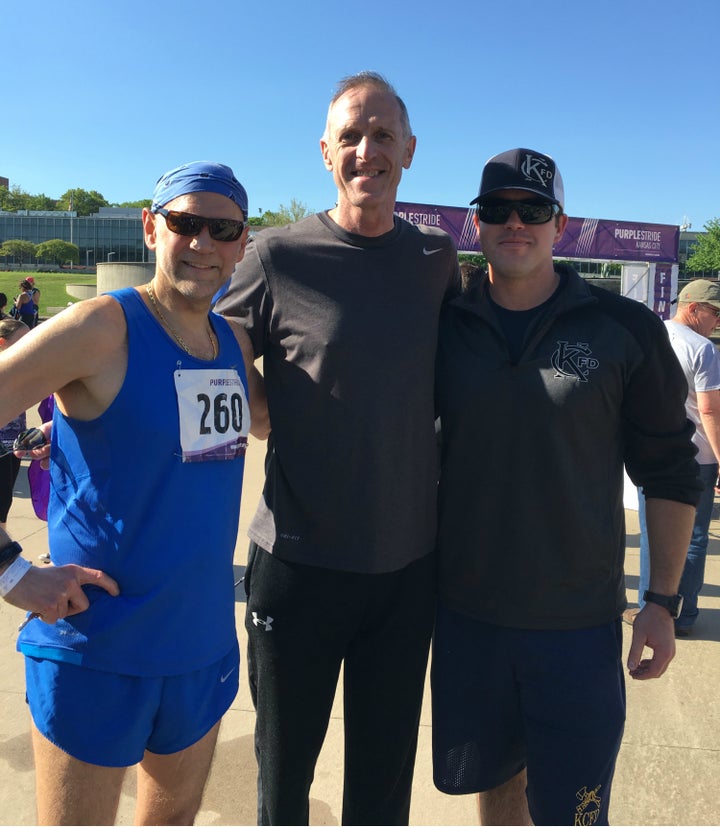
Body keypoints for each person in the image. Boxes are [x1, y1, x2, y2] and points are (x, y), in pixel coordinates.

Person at [215, 71, 460, 825]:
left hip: (406, 569)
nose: (366, 150)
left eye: (382, 134)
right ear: (325, 152)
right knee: (284, 779)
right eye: (349, 136)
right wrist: (262, 408)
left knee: (384, 786)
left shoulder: (436, 260)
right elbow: (205, 345)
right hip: (298, 566)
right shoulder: (280, 256)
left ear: (410, 150)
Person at [431, 147, 701, 826]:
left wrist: (662, 601)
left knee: (576, 811)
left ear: (562, 223)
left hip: (575, 624)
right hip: (468, 615)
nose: (515, 222)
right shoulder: (442, 319)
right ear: (478, 223)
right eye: (498, 209)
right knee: (496, 791)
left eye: (534, 209)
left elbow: (669, 470)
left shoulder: (624, 329)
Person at [0, 160, 269, 825]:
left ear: (242, 245)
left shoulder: (233, 345)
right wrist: (9, 570)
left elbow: (287, 421)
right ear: (152, 228)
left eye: (223, 229)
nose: (203, 244)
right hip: (98, 650)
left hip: (200, 650)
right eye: (184, 223)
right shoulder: (101, 327)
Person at [626, 279, 720, 637]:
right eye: (715, 313)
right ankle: (684, 614)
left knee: (653, 530)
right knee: (692, 537)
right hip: (697, 456)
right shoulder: (704, 349)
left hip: (649, 452)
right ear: (694, 308)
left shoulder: (650, 334)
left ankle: (648, 606)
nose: (717, 322)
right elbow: (710, 411)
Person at [0, 319, 30, 529]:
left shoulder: (20, 368)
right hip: (1, 446)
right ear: (2, 342)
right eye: (23, 340)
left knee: (4, 504)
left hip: (15, 446)